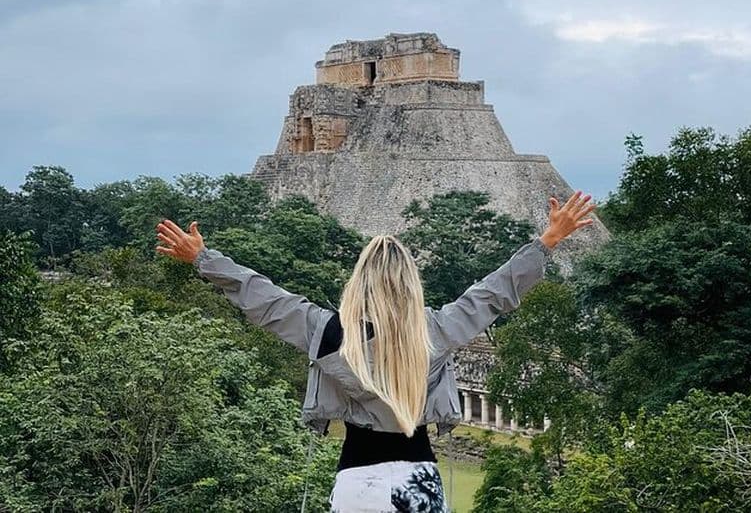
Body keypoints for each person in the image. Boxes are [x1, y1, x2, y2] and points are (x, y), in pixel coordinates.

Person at [155, 190, 596, 512]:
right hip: (417, 476)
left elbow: (265, 299)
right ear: (411, 283)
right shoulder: (435, 332)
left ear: (359, 280)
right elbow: (493, 295)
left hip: (357, 481)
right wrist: (548, 241)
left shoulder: (328, 331)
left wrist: (202, 258)